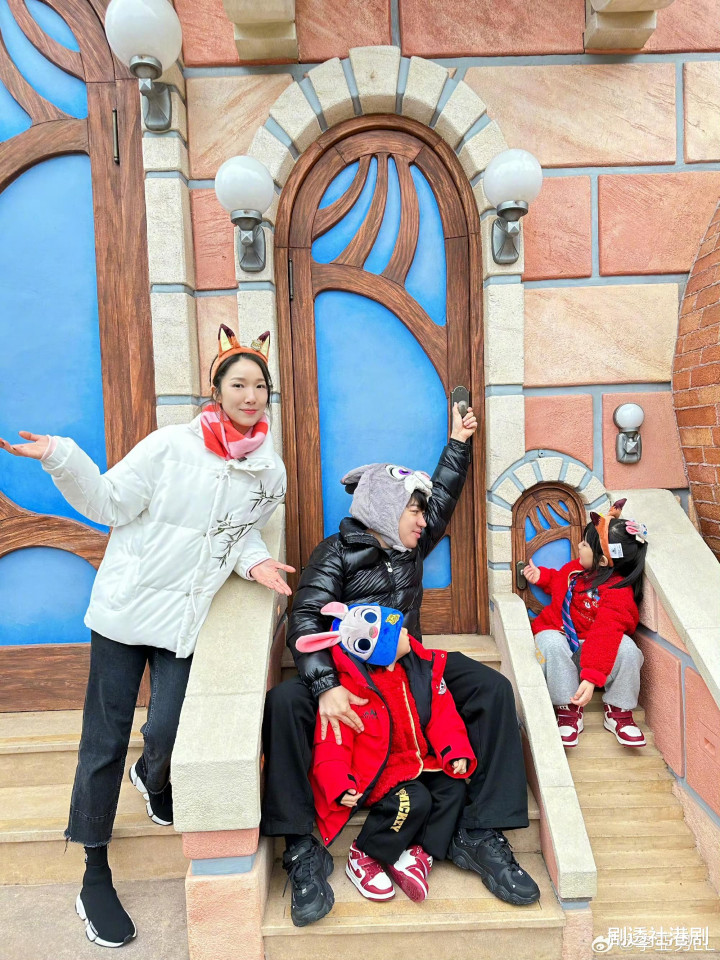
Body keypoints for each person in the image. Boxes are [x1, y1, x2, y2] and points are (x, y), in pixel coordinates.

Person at [0, 324, 293, 948]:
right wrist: (61, 456)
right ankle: (93, 872)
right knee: (103, 743)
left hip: (182, 621)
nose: (250, 396)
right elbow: (108, 502)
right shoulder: (169, 447)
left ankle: (153, 777)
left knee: (168, 730)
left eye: (260, 387)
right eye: (238, 384)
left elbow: (236, 531)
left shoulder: (269, 472)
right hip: (125, 613)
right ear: (215, 392)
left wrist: (255, 563)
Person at [261, 403, 541, 928]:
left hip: (409, 667)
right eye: (414, 510)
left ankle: (479, 832)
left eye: (422, 513)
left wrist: (458, 442)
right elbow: (304, 617)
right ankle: (300, 847)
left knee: (492, 689)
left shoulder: (409, 548)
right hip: (349, 676)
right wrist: (324, 686)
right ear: (387, 508)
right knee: (283, 704)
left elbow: (444, 497)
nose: (423, 520)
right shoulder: (335, 552)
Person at [296, 602, 476, 906]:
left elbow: (442, 716)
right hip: (381, 773)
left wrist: (455, 751)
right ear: (384, 650)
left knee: (454, 789)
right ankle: (365, 854)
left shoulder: (416, 673)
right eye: (399, 631)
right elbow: (333, 743)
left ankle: (418, 854)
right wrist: (339, 783)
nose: (407, 632)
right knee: (414, 800)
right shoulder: (354, 691)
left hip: (419, 764)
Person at [522, 499, 648, 749]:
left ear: (602, 561)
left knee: (629, 650)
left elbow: (605, 634)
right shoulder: (575, 570)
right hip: (563, 649)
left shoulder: (618, 591)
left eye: (585, 544)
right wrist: (542, 577)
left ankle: (619, 709)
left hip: (599, 655)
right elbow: (561, 582)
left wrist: (590, 679)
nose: (579, 545)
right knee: (549, 641)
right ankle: (567, 707)